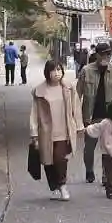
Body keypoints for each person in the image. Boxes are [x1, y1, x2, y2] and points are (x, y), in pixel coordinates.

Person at [29, 59, 83, 200]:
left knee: (60, 158)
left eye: (59, 70)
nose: (56, 73)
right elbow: (34, 113)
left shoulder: (68, 88)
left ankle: (62, 185)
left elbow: (76, 107)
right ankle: (54, 187)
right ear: (47, 72)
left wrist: (79, 125)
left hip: (64, 131)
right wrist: (34, 133)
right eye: (53, 70)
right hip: (46, 132)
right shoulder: (39, 91)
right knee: (48, 161)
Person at [79, 44, 112, 185]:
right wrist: (75, 116)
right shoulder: (86, 71)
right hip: (91, 116)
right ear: (97, 55)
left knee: (108, 148)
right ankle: (89, 170)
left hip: (110, 117)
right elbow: (77, 95)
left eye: (108, 55)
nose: (106, 57)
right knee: (89, 148)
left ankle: (106, 174)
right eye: (103, 54)